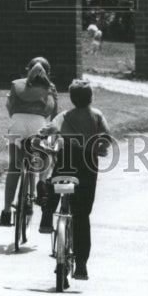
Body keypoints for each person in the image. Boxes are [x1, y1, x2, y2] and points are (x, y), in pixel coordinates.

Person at [38, 78, 112, 281]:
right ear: (91, 98)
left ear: (71, 98)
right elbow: (106, 137)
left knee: (55, 182)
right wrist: (100, 148)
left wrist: (42, 137)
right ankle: (81, 265)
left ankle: (47, 214)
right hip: (88, 165)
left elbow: (48, 130)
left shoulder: (64, 116)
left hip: (67, 160)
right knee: (82, 215)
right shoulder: (97, 116)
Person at [0, 57, 58, 229]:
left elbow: (10, 107)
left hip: (18, 123)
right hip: (38, 124)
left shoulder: (16, 84)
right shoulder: (50, 88)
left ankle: (6, 212)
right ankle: (41, 182)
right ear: (48, 72)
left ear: (27, 70)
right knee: (43, 156)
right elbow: (54, 115)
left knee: (14, 167)